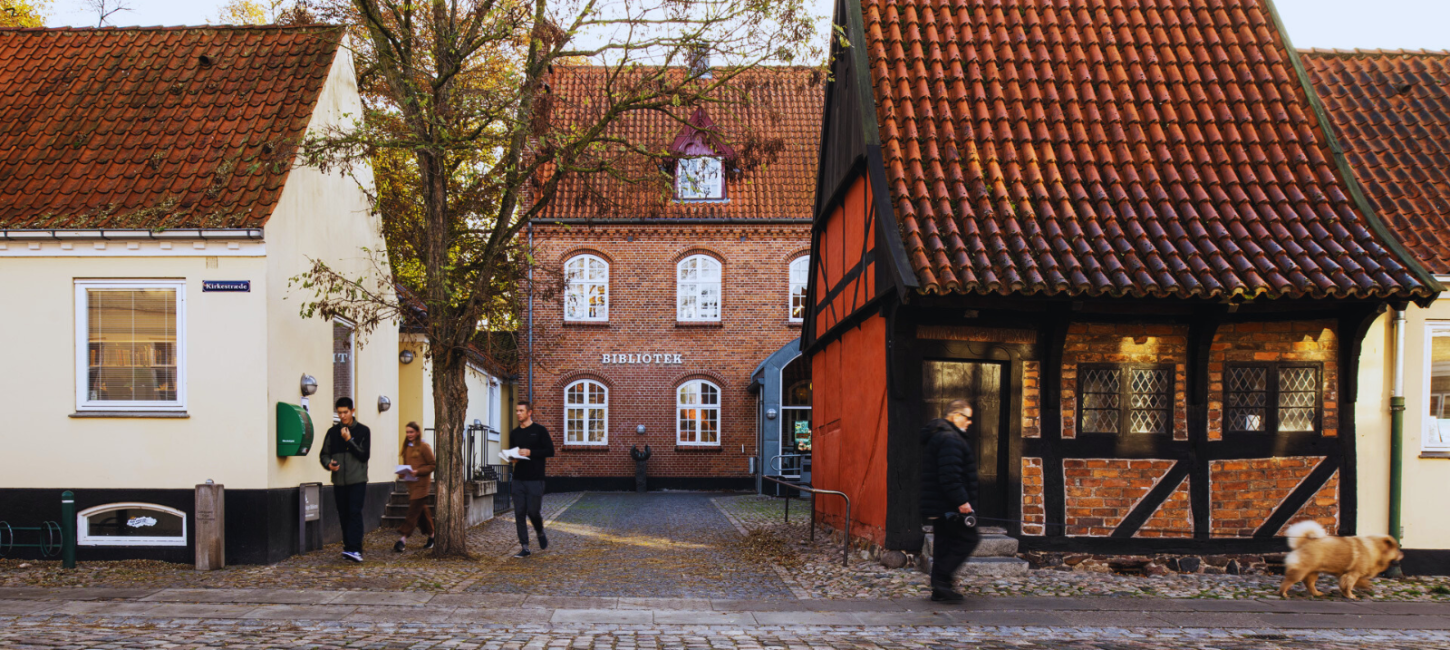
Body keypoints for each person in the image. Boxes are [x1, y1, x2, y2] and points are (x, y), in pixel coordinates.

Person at [919, 399, 979, 602]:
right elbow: (950, 475)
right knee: (968, 539)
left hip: (940, 503)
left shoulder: (941, 436)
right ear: (956, 416)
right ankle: (941, 580)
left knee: (944, 544)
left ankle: (940, 588)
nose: (970, 422)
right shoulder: (950, 439)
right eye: (967, 417)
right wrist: (962, 501)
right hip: (949, 505)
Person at [319, 397, 371, 563]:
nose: (342, 416)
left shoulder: (363, 431)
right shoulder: (332, 433)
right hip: (339, 481)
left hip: (357, 480)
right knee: (343, 514)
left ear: (352, 411)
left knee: (354, 513)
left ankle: (356, 549)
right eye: (339, 413)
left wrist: (349, 440)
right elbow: (324, 454)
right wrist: (329, 464)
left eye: (345, 412)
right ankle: (348, 548)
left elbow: (364, 455)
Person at [508, 400, 555, 558]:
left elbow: (550, 451)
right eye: (516, 411)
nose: (518, 413)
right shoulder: (514, 433)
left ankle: (540, 532)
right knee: (519, 513)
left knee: (533, 512)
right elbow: (513, 454)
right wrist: (512, 458)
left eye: (521, 411)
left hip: (536, 479)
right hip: (518, 479)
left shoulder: (540, 431)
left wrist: (530, 452)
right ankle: (525, 546)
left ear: (529, 413)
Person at [394, 421, 436, 552]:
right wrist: (402, 473)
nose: (409, 434)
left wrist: (418, 471)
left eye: (411, 432)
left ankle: (403, 539)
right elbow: (407, 465)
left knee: (412, 513)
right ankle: (432, 536)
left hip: (422, 486)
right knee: (422, 513)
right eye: (407, 432)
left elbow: (432, 464)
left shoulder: (424, 446)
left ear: (417, 432)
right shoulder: (407, 447)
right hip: (412, 486)